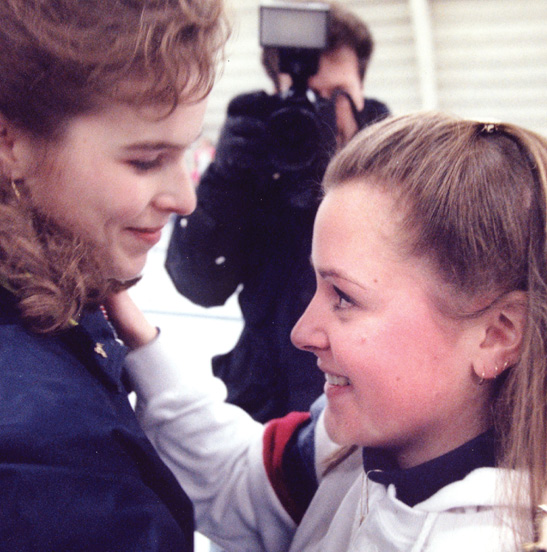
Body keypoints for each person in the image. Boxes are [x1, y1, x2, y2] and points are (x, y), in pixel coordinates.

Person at [107, 111, 547, 551]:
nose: (302, 332)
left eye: (345, 297)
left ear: (498, 335)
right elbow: (241, 487)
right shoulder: (356, 449)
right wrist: (138, 338)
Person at [0, 0, 228, 550]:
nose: (185, 198)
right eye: (146, 160)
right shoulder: (29, 466)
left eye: (187, 153)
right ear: (6, 142)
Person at [165, 0, 390, 423]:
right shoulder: (258, 162)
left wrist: (359, 175)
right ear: (276, 93)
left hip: (365, 403)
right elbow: (198, 284)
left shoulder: (405, 170)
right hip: (263, 408)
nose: (321, 113)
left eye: (335, 95)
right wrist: (226, 178)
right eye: (306, 96)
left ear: (363, 89)